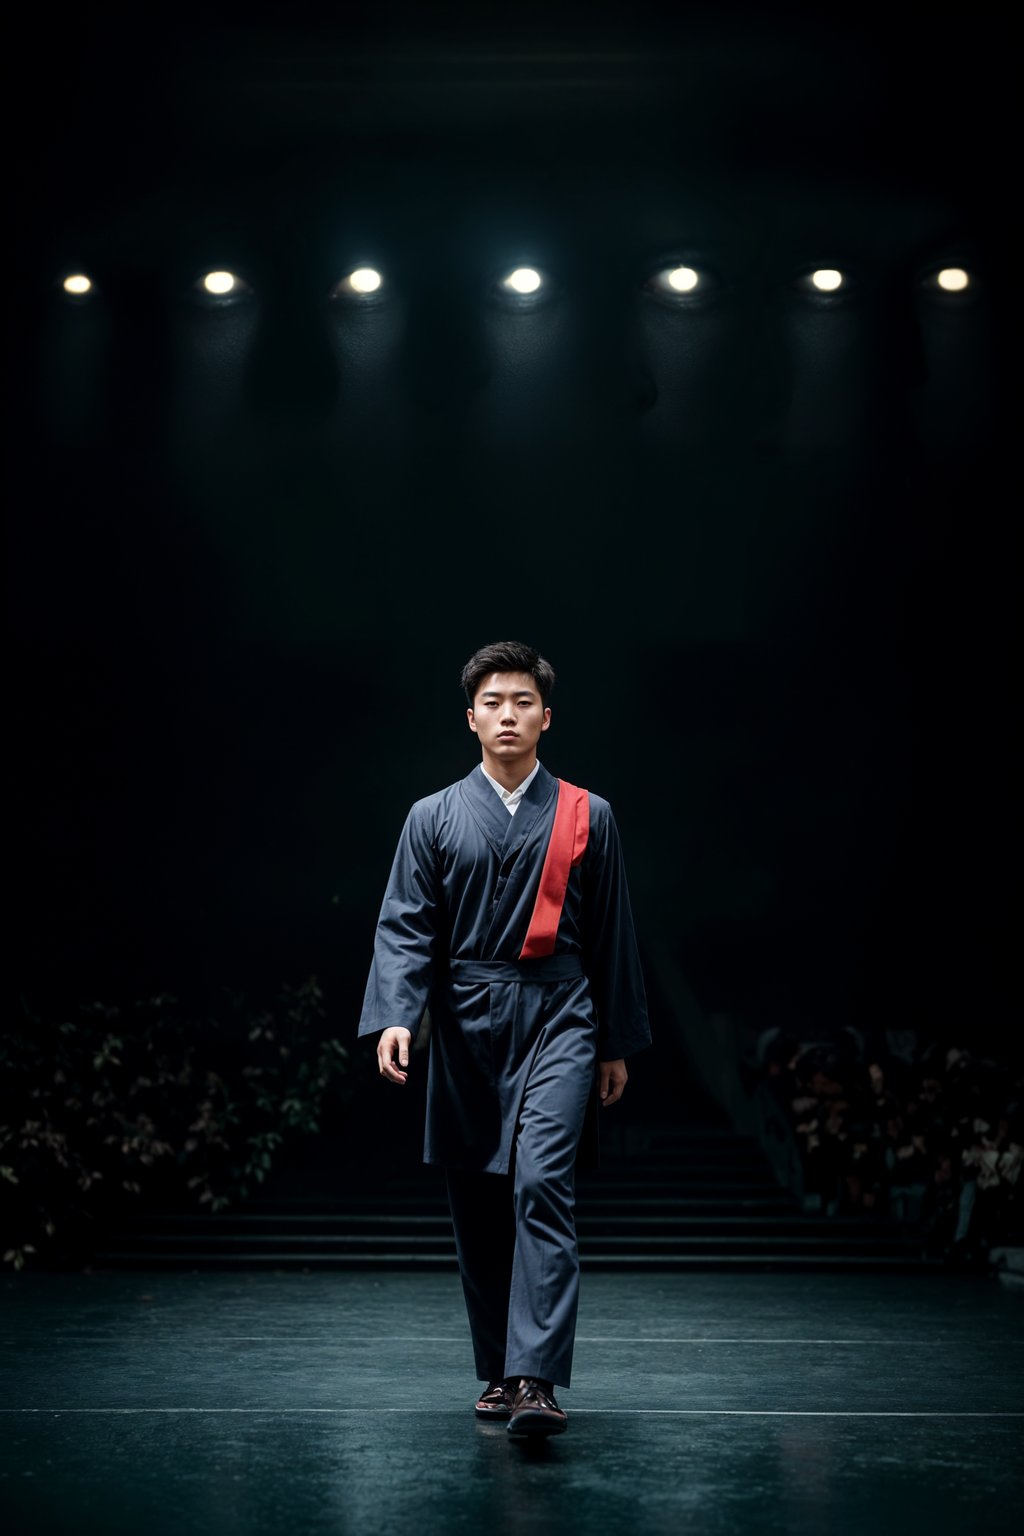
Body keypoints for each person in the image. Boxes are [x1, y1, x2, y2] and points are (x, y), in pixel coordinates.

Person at [357, 639, 651, 1439]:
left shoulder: (590, 816)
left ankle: (536, 1379)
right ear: (471, 719)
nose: (508, 715)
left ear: (546, 718)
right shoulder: (432, 817)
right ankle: (497, 1371)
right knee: (478, 1200)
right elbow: (406, 926)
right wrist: (396, 1013)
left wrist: (614, 1040)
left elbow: (614, 936)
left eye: (523, 702)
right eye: (494, 702)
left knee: (541, 1183)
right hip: (465, 1022)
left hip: (560, 1013)